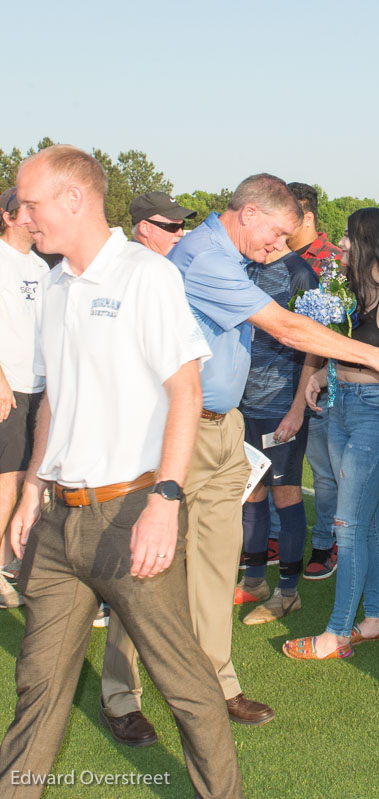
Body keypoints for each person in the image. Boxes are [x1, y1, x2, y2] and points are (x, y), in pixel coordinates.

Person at [103, 174, 379, 726]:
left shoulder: (230, 255)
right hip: (181, 429)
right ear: (247, 213)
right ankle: (122, 693)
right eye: (275, 233)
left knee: (217, 565)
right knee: (152, 563)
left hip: (224, 426)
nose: (279, 246)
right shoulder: (205, 259)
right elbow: (285, 328)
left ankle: (217, 683)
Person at [0, 144, 241, 798]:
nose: (22, 214)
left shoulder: (145, 276)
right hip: (58, 521)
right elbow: (52, 399)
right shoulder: (53, 283)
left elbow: (186, 391)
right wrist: (30, 487)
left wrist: (166, 497)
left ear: (74, 199)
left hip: (133, 512)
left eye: (31, 201)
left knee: (184, 684)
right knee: (39, 686)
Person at [283, 207, 379, 660]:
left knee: (347, 523)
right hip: (343, 409)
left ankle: (337, 632)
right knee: (364, 519)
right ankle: (376, 618)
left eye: (347, 237)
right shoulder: (355, 290)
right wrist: (323, 376)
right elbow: (345, 353)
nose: (340, 244)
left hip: (378, 415)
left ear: (369, 242)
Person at [233, 240, 320, 624]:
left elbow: (314, 345)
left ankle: (288, 593)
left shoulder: (299, 273)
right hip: (244, 405)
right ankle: (254, 580)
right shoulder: (244, 268)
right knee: (252, 492)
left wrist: (298, 407)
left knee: (285, 497)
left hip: (281, 407)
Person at [287, 182, 343, 579]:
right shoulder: (269, 255)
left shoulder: (332, 262)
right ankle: (274, 538)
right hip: (278, 381)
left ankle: (325, 543)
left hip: (323, 384)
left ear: (307, 217)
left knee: (323, 472)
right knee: (280, 465)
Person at [0, 187, 48, 608]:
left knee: (32, 477)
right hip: (8, 385)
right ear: (7, 216)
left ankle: (13, 558)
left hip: (39, 386)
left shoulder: (41, 265)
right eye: (25, 212)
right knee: (9, 479)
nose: (33, 220)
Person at [129, 191, 196, 256]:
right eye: (173, 227)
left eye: (182, 226)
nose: (180, 233)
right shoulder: (136, 265)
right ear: (145, 228)